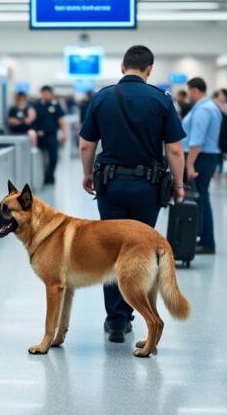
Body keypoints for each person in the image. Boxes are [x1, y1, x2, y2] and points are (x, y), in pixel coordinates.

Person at [79, 45, 187, 343]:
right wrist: (179, 185)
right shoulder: (161, 99)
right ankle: (136, 314)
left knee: (111, 252)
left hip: (110, 187)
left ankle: (116, 321)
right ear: (149, 69)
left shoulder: (102, 97)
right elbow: (175, 149)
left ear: (122, 67)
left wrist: (87, 174)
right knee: (139, 251)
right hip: (147, 188)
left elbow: (87, 144)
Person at [182, 77, 222, 255]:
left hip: (200, 158)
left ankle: (206, 241)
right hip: (205, 157)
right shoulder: (209, 106)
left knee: (201, 199)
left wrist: (190, 165)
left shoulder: (203, 110)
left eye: (189, 91)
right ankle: (205, 239)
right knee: (202, 198)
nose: (189, 95)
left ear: (194, 90)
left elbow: (196, 141)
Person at [35, 86, 68, 185]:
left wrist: (64, 133)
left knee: (54, 157)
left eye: (47, 93)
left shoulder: (56, 106)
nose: (45, 95)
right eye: (43, 93)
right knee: (40, 159)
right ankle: (42, 177)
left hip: (52, 136)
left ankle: (50, 176)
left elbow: (62, 120)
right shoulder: (36, 106)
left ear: (51, 94)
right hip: (39, 137)